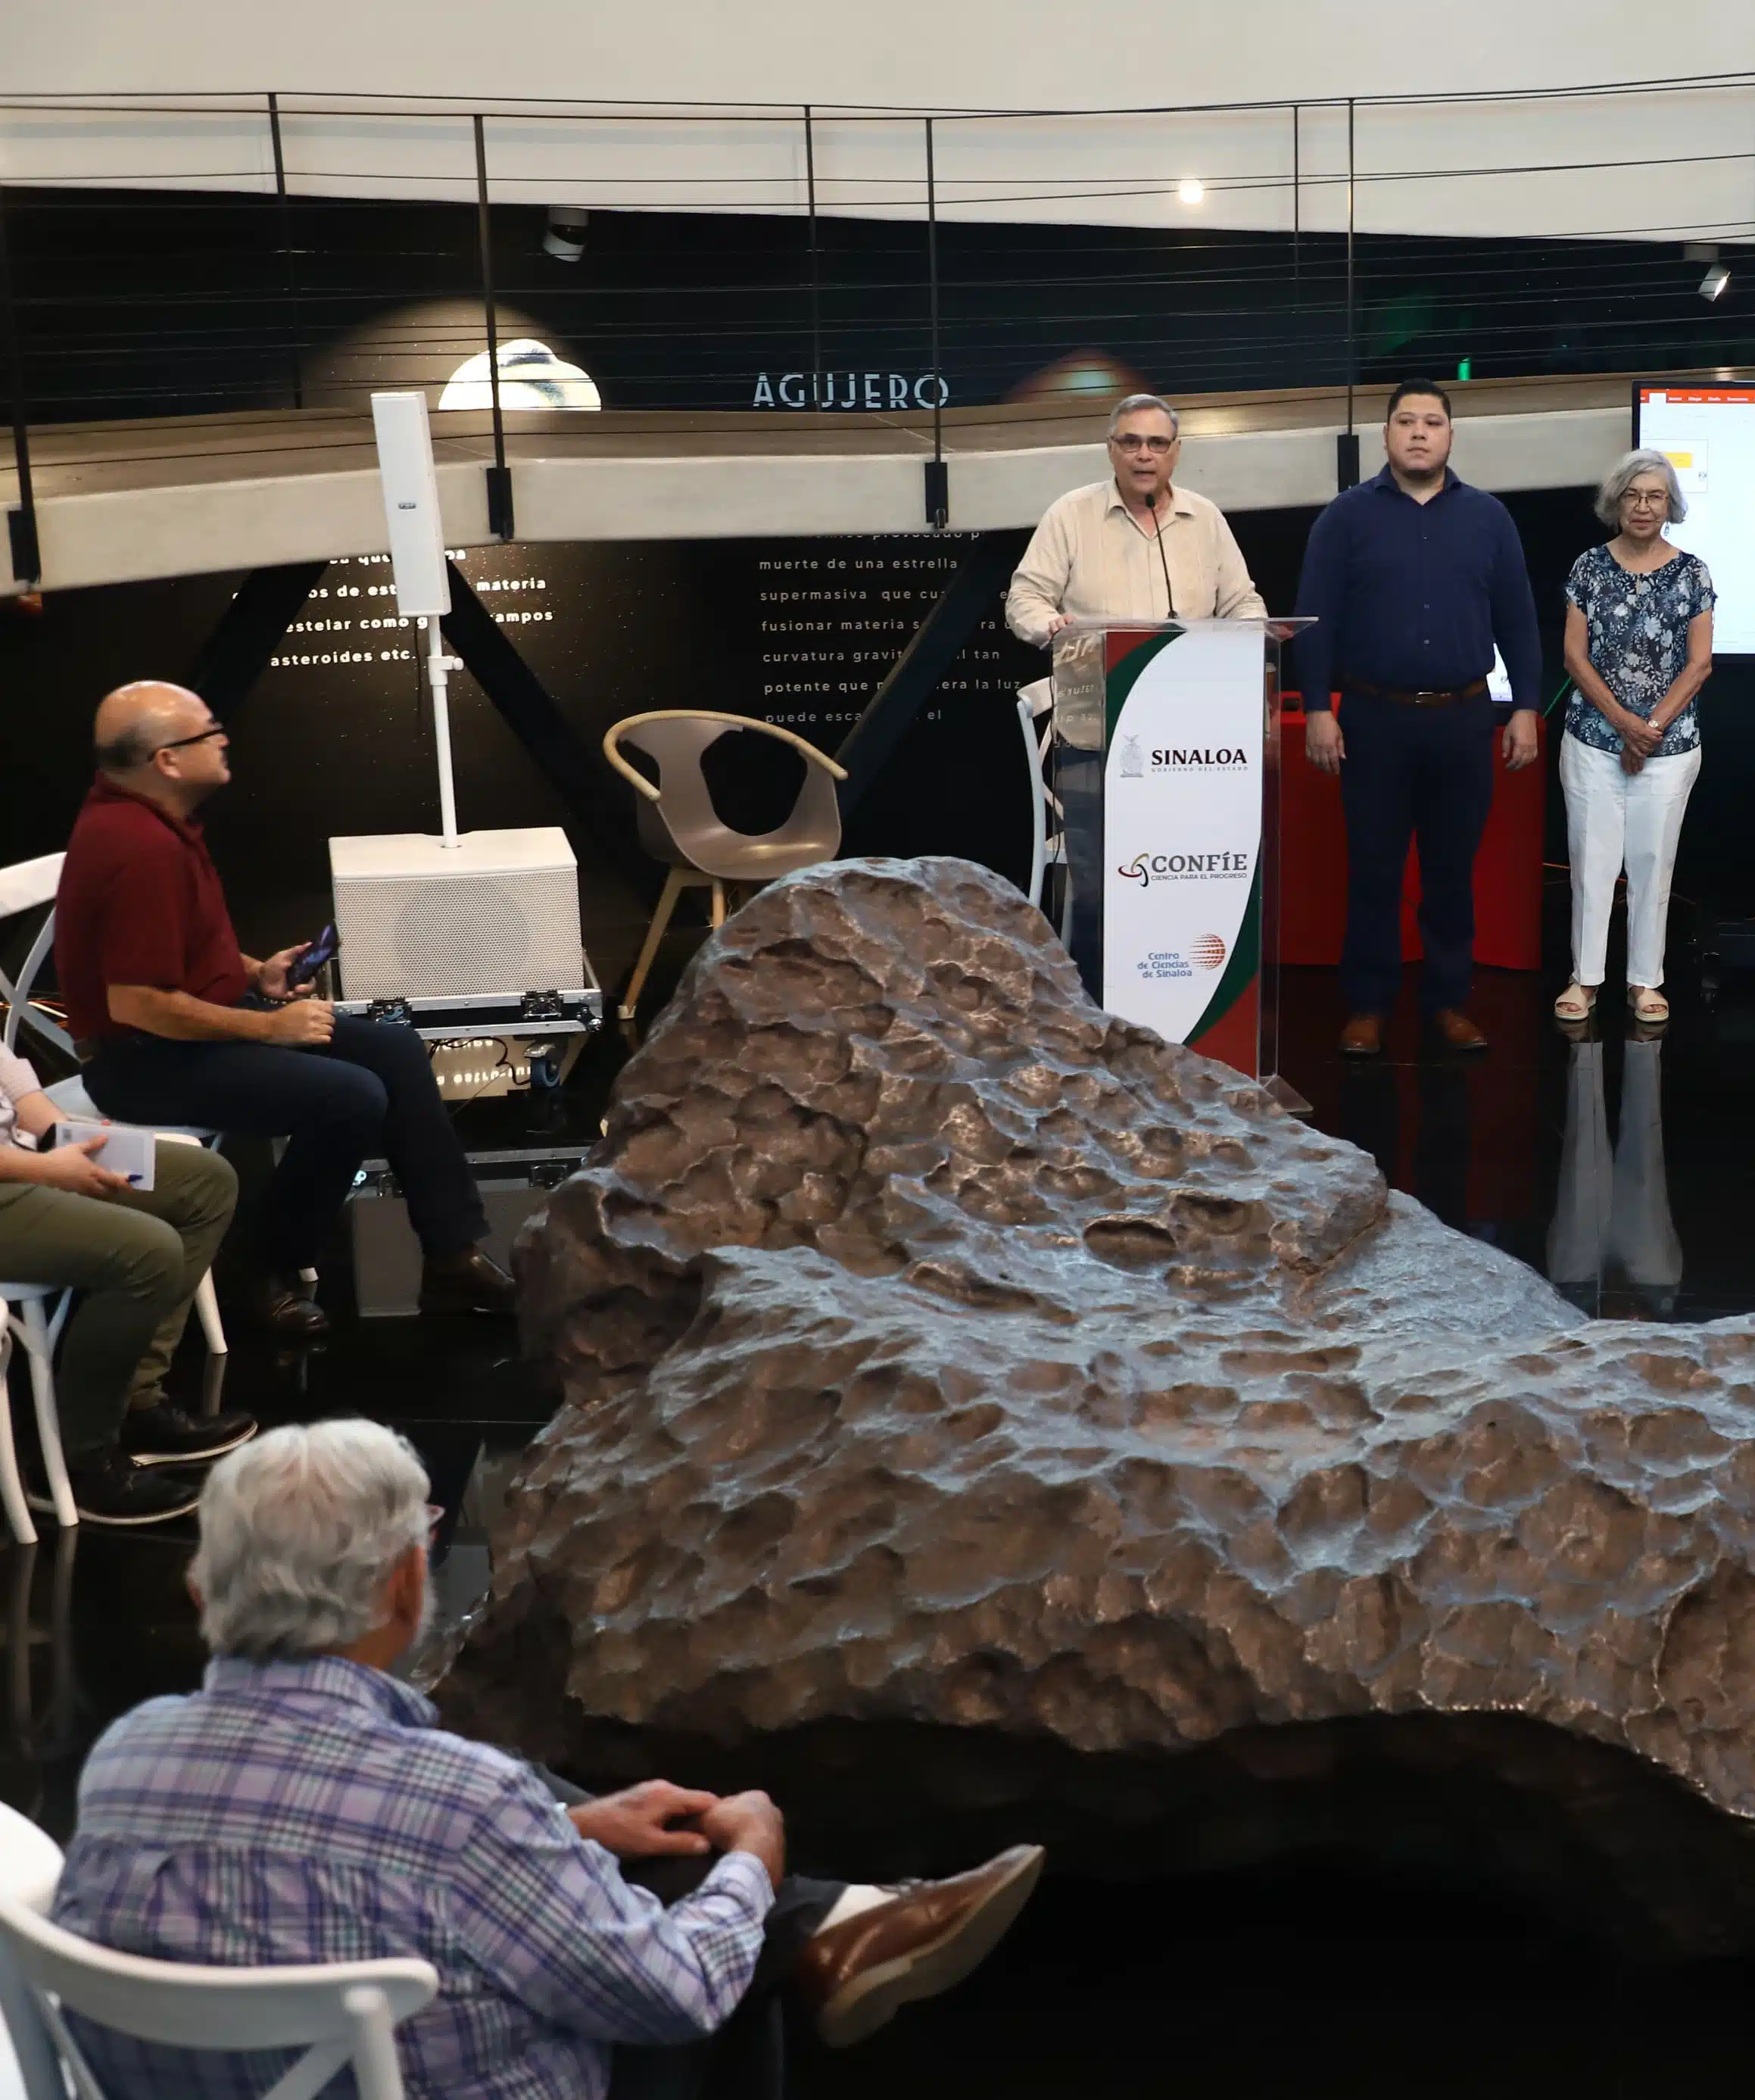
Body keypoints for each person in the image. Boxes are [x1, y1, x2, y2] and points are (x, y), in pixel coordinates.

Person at [55, 1421, 1046, 2100]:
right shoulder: (460, 1806)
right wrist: (752, 1856)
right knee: (729, 1957)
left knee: (546, 1804)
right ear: (407, 1584)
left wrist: (563, 1830)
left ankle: (836, 1925)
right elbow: (673, 1991)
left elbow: (319, 1845)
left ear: (200, 1590)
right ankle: (819, 1927)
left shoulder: (125, 1755)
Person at [55, 682, 516, 1339]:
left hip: (190, 1030)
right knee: (350, 1096)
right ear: (167, 760)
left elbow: (177, 948)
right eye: (208, 731)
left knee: (396, 1049)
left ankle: (452, 1253)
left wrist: (253, 972)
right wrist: (269, 1028)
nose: (224, 738)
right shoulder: (137, 845)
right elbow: (137, 1004)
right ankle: (259, 1268)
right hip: (142, 1060)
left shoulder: (157, 819)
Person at [1292, 379, 1544, 1059]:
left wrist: (1525, 705)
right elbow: (1315, 619)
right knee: (1373, 869)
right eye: (1406, 421)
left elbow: (1518, 618)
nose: (1419, 433)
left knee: (1450, 872)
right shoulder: (1344, 517)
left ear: (1451, 435)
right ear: (1386, 435)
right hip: (1373, 719)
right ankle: (1368, 1007)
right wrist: (1318, 707)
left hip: (1464, 720)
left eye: (1433, 422)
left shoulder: (1489, 518)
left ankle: (1449, 1003)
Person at [1000, 393, 1268, 998]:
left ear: (1175, 453)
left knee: (1192, 879)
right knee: (1105, 887)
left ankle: (1183, 999)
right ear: (1111, 449)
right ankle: (1098, 1011)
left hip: (1192, 743)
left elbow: (1244, 603)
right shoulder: (1071, 515)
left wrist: (1248, 630)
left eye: (1156, 443)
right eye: (1130, 442)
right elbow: (1024, 600)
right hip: (1100, 739)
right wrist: (1054, 627)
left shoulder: (1206, 520)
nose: (1143, 454)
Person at [0, 1043, 250, 1524]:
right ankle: (85, 1457)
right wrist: (49, 1169)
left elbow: (18, 1092)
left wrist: (69, 1136)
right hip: (16, 1177)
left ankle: (137, 1401)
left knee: (206, 1183)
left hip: (27, 1158)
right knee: (147, 1251)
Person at [1554, 448, 1713, 1030]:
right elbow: (1574, 655)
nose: (1644, 506)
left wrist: (1648, 731)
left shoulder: (1693, 572)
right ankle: (1585, 977)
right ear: (1615, 502)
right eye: (1633, 495)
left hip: (1671, 745)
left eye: (1655, 496)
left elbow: (1699, 665)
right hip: (1594, 736)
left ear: (1671, 504)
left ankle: (1646, 980)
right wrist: (1623, 722)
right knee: (1592, 861)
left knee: (1653, 861)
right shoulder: (1589, 567)